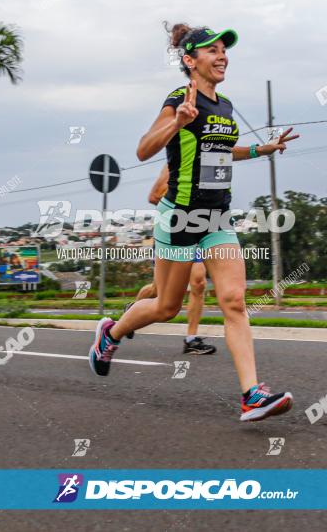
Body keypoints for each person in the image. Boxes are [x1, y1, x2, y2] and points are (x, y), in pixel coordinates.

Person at [89, 23, 300, 422]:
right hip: (180, 217)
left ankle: (252, 395)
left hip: (217, 215)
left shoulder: (224, 105)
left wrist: (261, 149)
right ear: (190, 61)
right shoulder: (177, 100)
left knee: (234, 301)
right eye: (212, 51)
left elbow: (221, 152)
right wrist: (177, 122)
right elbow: (143, 148)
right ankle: (110, 334)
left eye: (224, 50)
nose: (222, 56)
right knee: (167, 307)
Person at [122, 164, 216, 355]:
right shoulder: (176, 163)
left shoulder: (210, 160)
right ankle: (132, 311)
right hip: (171, 231)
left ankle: (191, 339)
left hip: (197, 228)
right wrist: (185, 194)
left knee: (198, 283)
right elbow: (154, 196)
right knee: (158, 290)